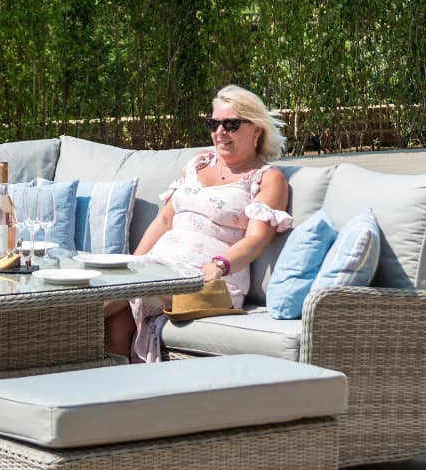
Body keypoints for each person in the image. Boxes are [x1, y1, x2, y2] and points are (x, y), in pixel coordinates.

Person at [104, 85, 293, 361]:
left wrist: (220, 265)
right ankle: (116, 398)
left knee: (105, 295)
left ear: (256, 130)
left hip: (209, 278)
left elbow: (255, 241)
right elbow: (165, 219)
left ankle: (45, 334)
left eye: (231, 124)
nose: (220, 132)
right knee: (117, 323)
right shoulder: (199, 164)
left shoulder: (267, 178)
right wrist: (133, 263)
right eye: (213, 123)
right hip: (158, 269)